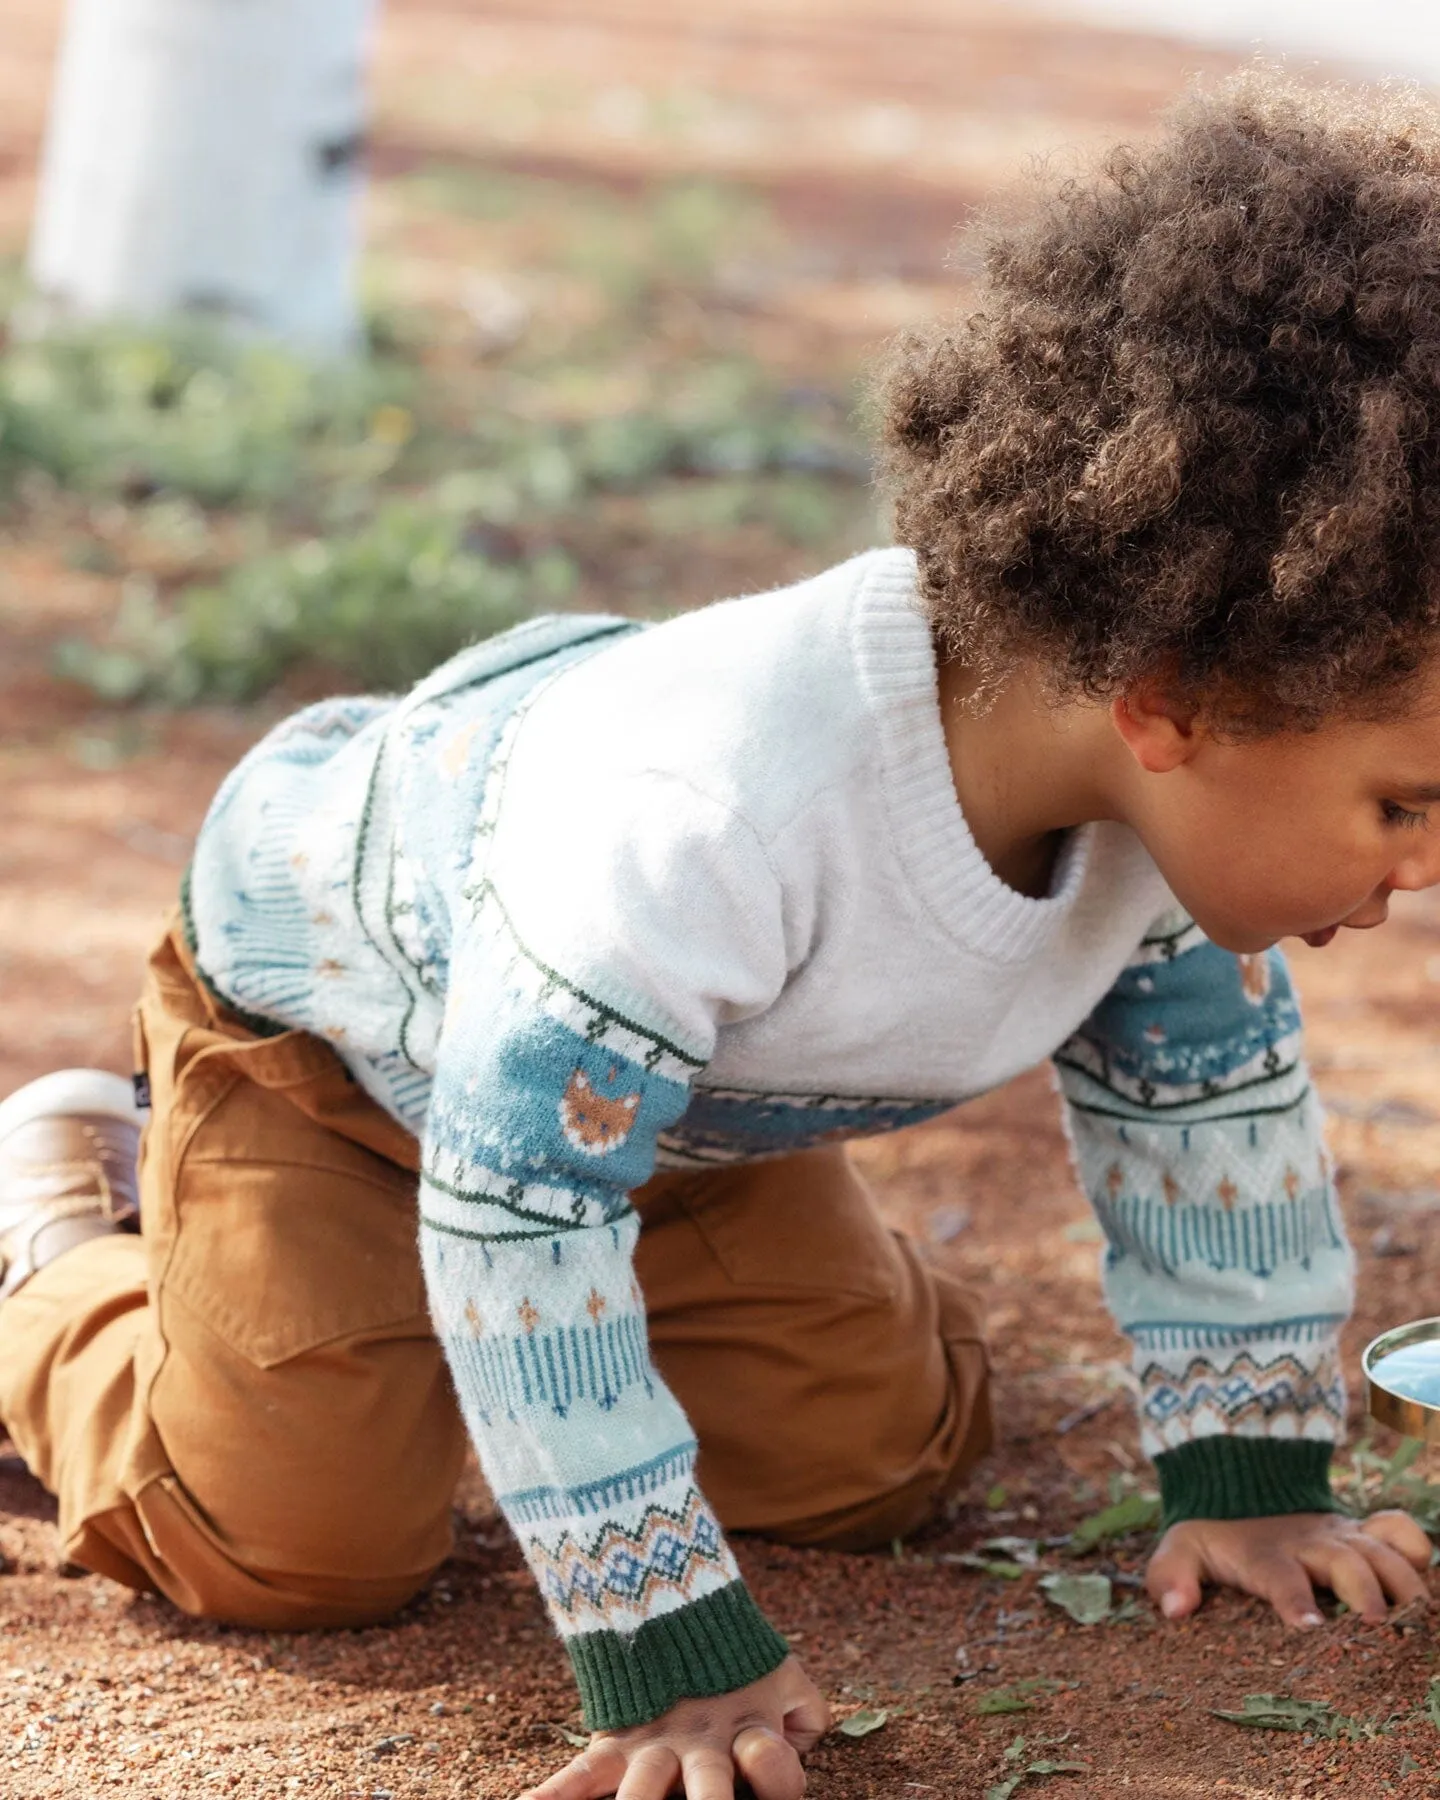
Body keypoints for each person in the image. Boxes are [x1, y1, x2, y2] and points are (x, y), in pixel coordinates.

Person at [3, 70, 1440, 1800]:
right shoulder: (710, 814)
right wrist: (666, 1643)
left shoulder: (1174, 824)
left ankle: (523, 1347)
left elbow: (1210, 1124)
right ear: (1173, 702)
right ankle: (61, 1236)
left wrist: (1254, 1477)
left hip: (677, 1107)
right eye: (1406, 804)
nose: (1423, 867)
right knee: (296, 1545)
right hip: (345, 1044)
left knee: (875, 1461)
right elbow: (519, 1205)